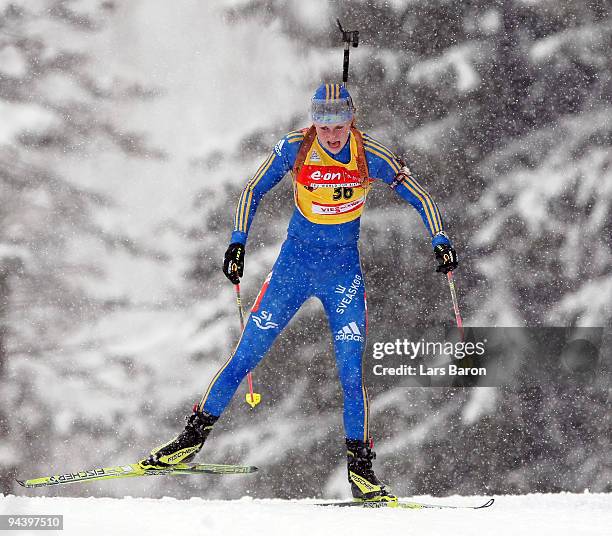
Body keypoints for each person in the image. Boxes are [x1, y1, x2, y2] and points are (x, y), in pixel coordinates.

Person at [140, 83, 458, 502]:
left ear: (351, 121)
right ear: (314, 123)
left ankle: (361, 473)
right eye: (324, 127)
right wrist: (238, 242)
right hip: (293, 269)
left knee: (350, 372)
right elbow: (253, 190)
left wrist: (440, 238)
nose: (331, 135)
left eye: (339, 127)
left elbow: (419, 195)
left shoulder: (370, 156)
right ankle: (188, 441)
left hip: (343, 274)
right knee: (245, 356)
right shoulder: (294, 148)